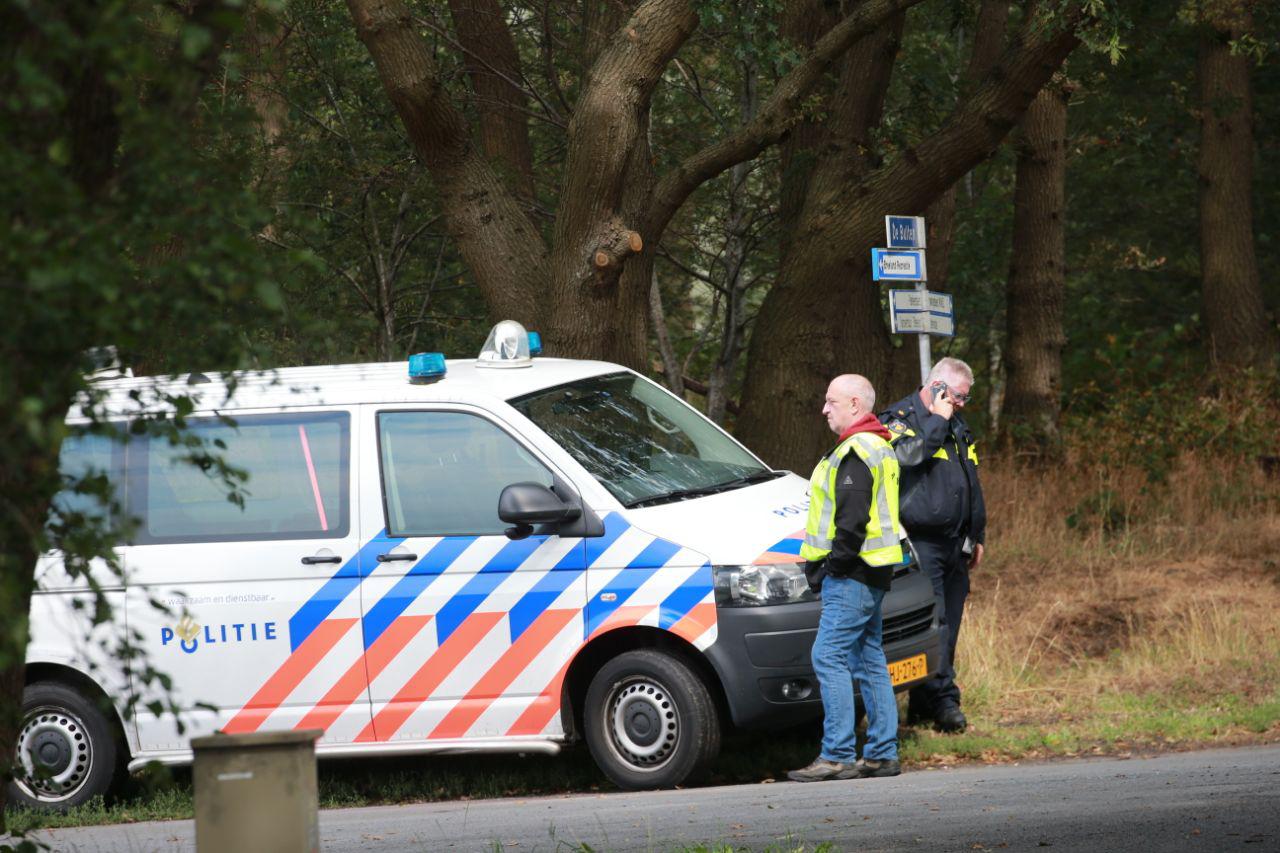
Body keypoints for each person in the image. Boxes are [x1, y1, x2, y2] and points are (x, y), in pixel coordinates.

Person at [788, 374, 905, 782]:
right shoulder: (877, 445)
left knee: (829, 655)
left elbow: (851, 522)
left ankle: (836, 755)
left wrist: (832, 567)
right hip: (872, 571)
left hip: (851, 574)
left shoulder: (856, 451)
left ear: (855, 404)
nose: (824, 409)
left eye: (831, 401)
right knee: (868, 656)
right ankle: (881, 754)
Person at [879, 357, 986, 733]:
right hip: (920, 541)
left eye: (964, 399)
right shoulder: (899, 419)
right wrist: (938, 420)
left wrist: (978, 535)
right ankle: (944, 702)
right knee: (935, 622)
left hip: (957, 543)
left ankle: (925, 704)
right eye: (957, 396)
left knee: (950, 626)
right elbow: (907, 458)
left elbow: (971, 480)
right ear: (938, 386)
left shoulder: (957, 424)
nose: (960, 404)